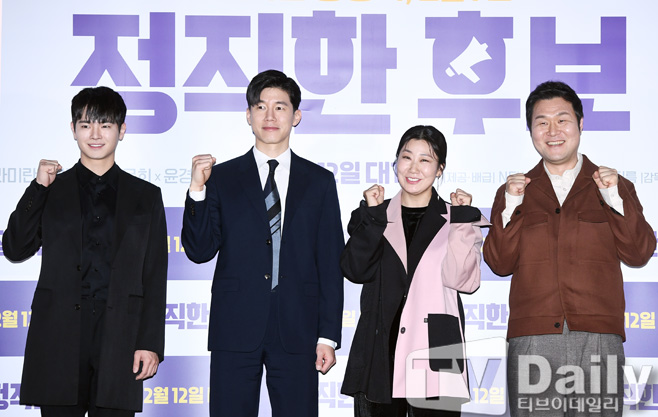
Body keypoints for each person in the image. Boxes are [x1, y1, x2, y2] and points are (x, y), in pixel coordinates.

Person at [483, 81, 656, 416]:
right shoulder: (513, 192)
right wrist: (512, 204)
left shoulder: (614, 185)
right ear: (530, 130)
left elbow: (639, 253)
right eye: (542, 122)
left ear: (580, 124)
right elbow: (500, 263)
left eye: (562, 120)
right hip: (532, 335)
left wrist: (613, 197)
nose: (553, 131)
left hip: (598, 335)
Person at [181, 69, 344, 417]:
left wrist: (327, 336)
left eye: (280, 107)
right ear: (248, 115)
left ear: (295, 115)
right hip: (235, 326)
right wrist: (197, 190)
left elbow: (331, 263)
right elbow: (199, 250)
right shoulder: (221, 177)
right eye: (260, 106)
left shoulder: (319, 182)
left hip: (298, 327)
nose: (270, 116)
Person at [2, 86, 168, 416]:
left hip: (120, 335)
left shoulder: (146, 196)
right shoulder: (51, 189)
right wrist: (37, 189)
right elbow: (15, 248)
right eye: (85, 124)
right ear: (73, 129)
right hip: (59, 334)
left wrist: (150, 343)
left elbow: (154, 274)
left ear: (121, 130)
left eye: (105, 125)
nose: (94, 134)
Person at [340, 125, 489, 417]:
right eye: (407, 157)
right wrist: (373, 217)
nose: (413, 168)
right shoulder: (374, 213)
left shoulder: (457, 217)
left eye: (425, 160)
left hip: (437, 351)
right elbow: (355, 270)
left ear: (440, 169)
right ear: (396, 161)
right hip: (380, 351)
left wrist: (460, 222)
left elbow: (464, 281)